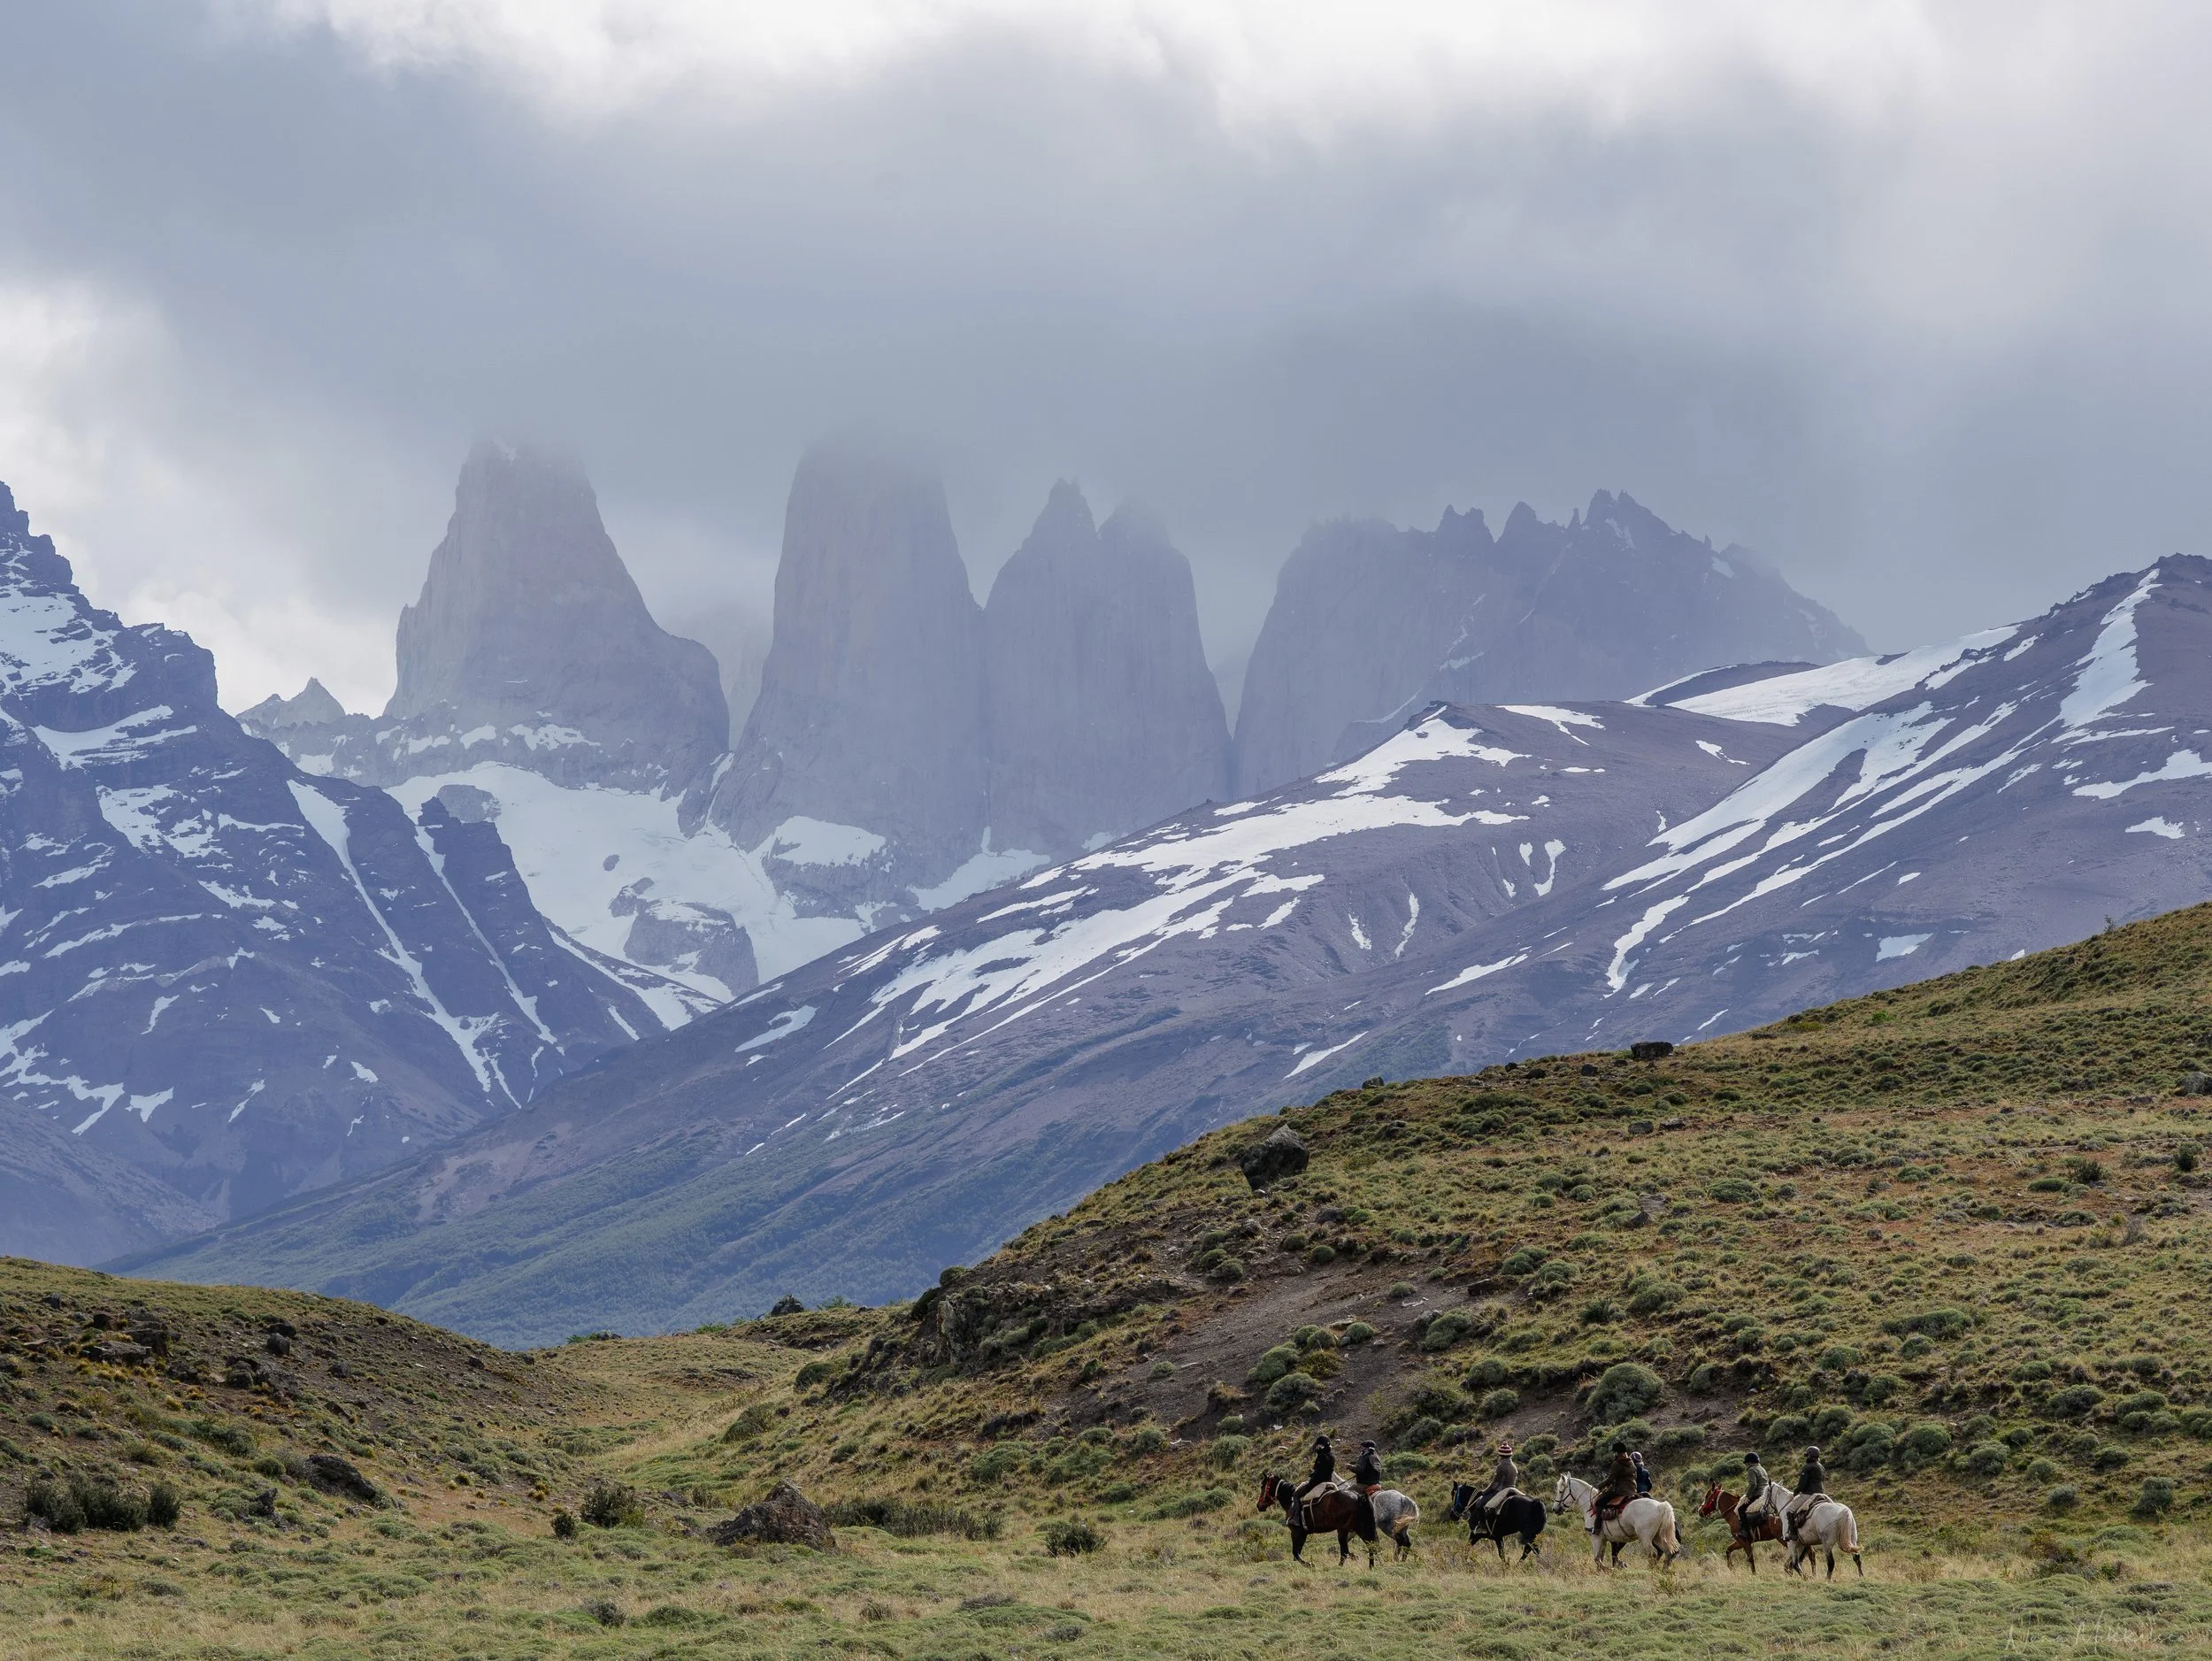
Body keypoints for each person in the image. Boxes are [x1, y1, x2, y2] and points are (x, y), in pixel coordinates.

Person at [1784, 1445, 1827, 1542]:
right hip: (1821, 1494)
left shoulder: (1807, 1467)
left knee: (1789, 1510)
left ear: (1809, 1456)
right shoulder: (1821, 1467)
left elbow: (1802, 1486)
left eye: (1807, 1456)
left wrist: (1795, 1493)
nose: (1806, 1458)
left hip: (1808, 1494)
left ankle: (1793, 1533)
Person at [1288, 1434, 1335, 1523]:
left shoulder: (1321, 1456)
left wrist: (1312, 1479)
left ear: (1321, 1446)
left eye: (1318, 1446)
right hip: (1329, 1481)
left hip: (1318, 1482)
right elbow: (1325, 1469)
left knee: (1296, 1495)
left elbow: (1319, 1474)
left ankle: (1296, 1518)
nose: (1316, 1447)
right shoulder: (1331, 1456)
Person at [1594, 1443, 1637, 1529]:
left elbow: (1611, 1478)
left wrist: (1600, 1485)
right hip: (1633, 1489)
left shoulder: (1617, 1463)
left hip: (1621, 1490)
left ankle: (1597, 1528)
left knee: (1599, 1502)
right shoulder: (1630, 1461)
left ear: (1617, 1453)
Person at [1479, 1442, 1521, 1519]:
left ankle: (1482, 1525)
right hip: (1513, 1490)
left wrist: (1484, 1492)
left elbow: (1495, 1484)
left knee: (1479, 1503)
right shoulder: (1514, 1467)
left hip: (1502, 1491)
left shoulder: (1501, 1467)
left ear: (1500, 1456)